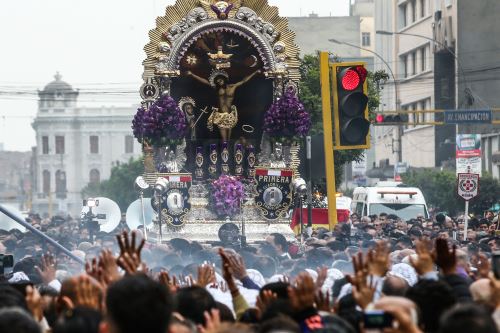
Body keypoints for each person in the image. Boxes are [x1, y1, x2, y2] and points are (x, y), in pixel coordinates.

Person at [186, 68, 262, 141]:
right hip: (221, 115)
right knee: (224, 140)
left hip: (230, 115)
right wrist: (192, 74)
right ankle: (224, 152)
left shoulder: (233, 86)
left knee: (229, 139)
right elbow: (205, 82)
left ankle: (228, 153)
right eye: (217, 81)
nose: (219, 81)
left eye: (220, 79)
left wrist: (255, 73)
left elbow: (244, 81)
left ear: (224, 79)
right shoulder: (217, 88)